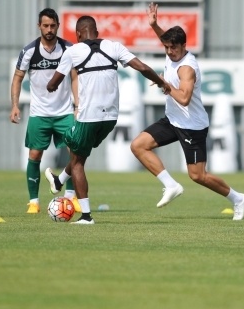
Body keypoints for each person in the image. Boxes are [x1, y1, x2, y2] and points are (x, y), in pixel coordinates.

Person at [130, 2, 244, 220]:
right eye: (166, 47)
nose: (169, 51)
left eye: (173, 48)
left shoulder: (187, 68)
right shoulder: (171, 51)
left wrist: (164, 84)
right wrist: (154, 25)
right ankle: (171, 185)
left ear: (184, 46)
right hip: (172, 120)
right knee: (138, 145)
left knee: (198, 175)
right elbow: (165, 39)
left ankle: (238, 198)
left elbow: (184, 99)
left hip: (192, 126)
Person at [46, 15, 169, 224]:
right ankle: (59, 181)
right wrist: (161, 82)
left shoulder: (72, 52)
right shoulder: (114, 46)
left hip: (88, 116)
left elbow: (53, 84)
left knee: (77, 159)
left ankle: (86, 216)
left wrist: (51, 86)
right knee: (80, 154)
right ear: (97, 32)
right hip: (111, 118)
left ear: (78, 35)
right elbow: (143, 68)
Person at [10, 8, 78, 214]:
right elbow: (17, 78)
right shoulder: (29, 51)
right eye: (45, 25)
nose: (49, 30)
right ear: (39, 26)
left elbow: (75, 77)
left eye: (53, 26)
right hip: (39, 113)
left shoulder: (68, 49)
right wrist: (15, 105)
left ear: (58, 26)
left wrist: (78, 105)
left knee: (75, 152)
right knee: (35, 154)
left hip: (65, 112)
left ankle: (71, 197)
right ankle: (34, 201)